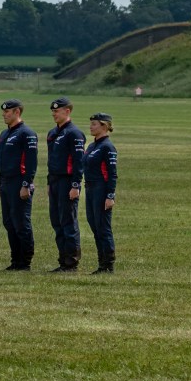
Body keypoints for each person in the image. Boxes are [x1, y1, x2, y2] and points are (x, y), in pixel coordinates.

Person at [0, 99, 38, 271]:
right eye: (4, 112)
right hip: (6, 183)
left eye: (8, 112)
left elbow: (31, 161)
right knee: (9, 222)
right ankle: (15, 260)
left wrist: (26, 184)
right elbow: (2, 161)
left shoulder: (26, 133)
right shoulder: (5, 134)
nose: (4, 115)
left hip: (19, 183)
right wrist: (0, 183)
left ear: (17, 112)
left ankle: (25, 262)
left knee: (21, 223)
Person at [46, 97, 86, 272]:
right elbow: (51, 160)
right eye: (53, 111)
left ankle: (71, 262)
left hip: (67, 181)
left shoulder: (74, 134)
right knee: (57, 221)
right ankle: (63, 260)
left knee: (68, 221)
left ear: (67, 111)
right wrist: (49, 182)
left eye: (57, 111)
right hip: (55, 181)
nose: (54, 114)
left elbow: (79, 162)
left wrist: (76, 185)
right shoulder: (53, 133)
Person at [84, 113, 118, 274]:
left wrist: (110, 195)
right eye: (91, 124)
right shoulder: (92, 146)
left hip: (101, 189)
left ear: (104, 126)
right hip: (90, 189)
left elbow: (112, 174)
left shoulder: (107, 147)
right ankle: (101, 263)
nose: (91, 127)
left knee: (103, 227)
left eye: (94, 124)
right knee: (94, 225)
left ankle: (108, 264)